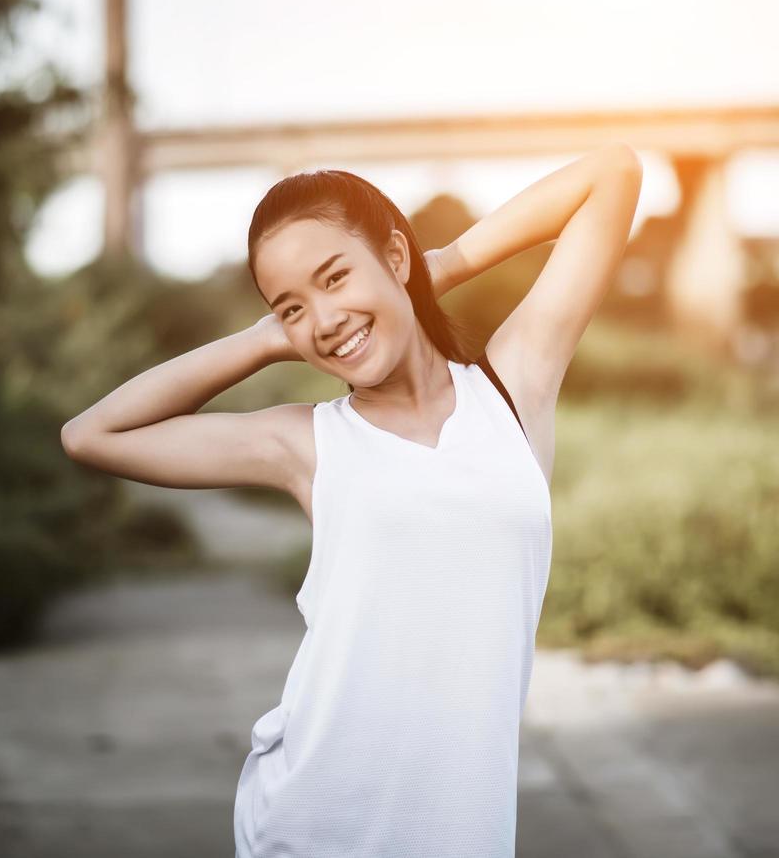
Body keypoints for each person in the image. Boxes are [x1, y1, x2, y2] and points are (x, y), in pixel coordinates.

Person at [60, 143, 644, 856]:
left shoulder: (511, 389)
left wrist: (444, 263)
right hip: (314, 824)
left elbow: (612, 172)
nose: (325, 319)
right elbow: (93, 434)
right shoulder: (307, 443)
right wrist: (258, 343)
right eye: (292, 307)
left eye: (336, 277)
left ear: (395, 257)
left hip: (461, 830)